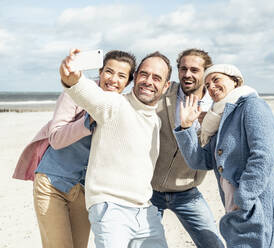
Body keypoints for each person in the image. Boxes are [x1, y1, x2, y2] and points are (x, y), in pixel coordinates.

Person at [12, 50, 136, 248]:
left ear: (128, 82)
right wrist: (88, 121)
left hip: (84, 191)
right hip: (52, 181)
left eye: (121, 76)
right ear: (100, 71)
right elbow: (56, 138)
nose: (113, 79)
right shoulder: (75, 92)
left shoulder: (122, 107)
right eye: (108, 72)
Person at [60, 49, 171, 248]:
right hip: (111, 209)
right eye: (144, 74)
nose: (148, 81)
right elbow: (89, 94)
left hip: (146, 212)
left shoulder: (156, 121)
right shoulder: (115, 103)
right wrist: (73, 79)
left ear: (165, 86)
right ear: (135, 77)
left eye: (156, 78)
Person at [174, 64, 274, 247]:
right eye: (207, 85)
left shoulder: (252, 106)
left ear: (235, 81)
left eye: (216, 80)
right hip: (234, 207)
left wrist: (244, 199)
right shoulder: (219, 119)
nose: (211, 87)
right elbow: (199, 161)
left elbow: (264, 155)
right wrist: (186, 127)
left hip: (256, 204)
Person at [150, 48, 224, 247]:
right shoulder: (164, 91)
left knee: (214, 244)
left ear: (205, 73)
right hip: (148, 191)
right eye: (183, 69)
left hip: (187, 192)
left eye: (194, 70)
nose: (187, 74)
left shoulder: (217, 107)